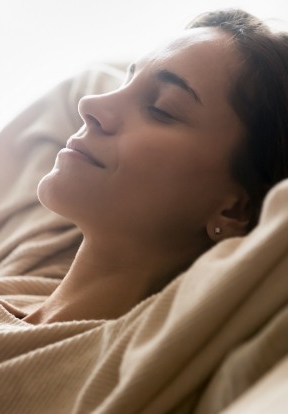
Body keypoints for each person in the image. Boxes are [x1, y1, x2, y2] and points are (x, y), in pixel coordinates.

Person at [19, 8, 288, 323]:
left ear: (235, 211)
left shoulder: (139, 356)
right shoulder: (26, 265)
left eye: (162, 108)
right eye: (125, 82)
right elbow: (81, 83)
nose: (90, 104)